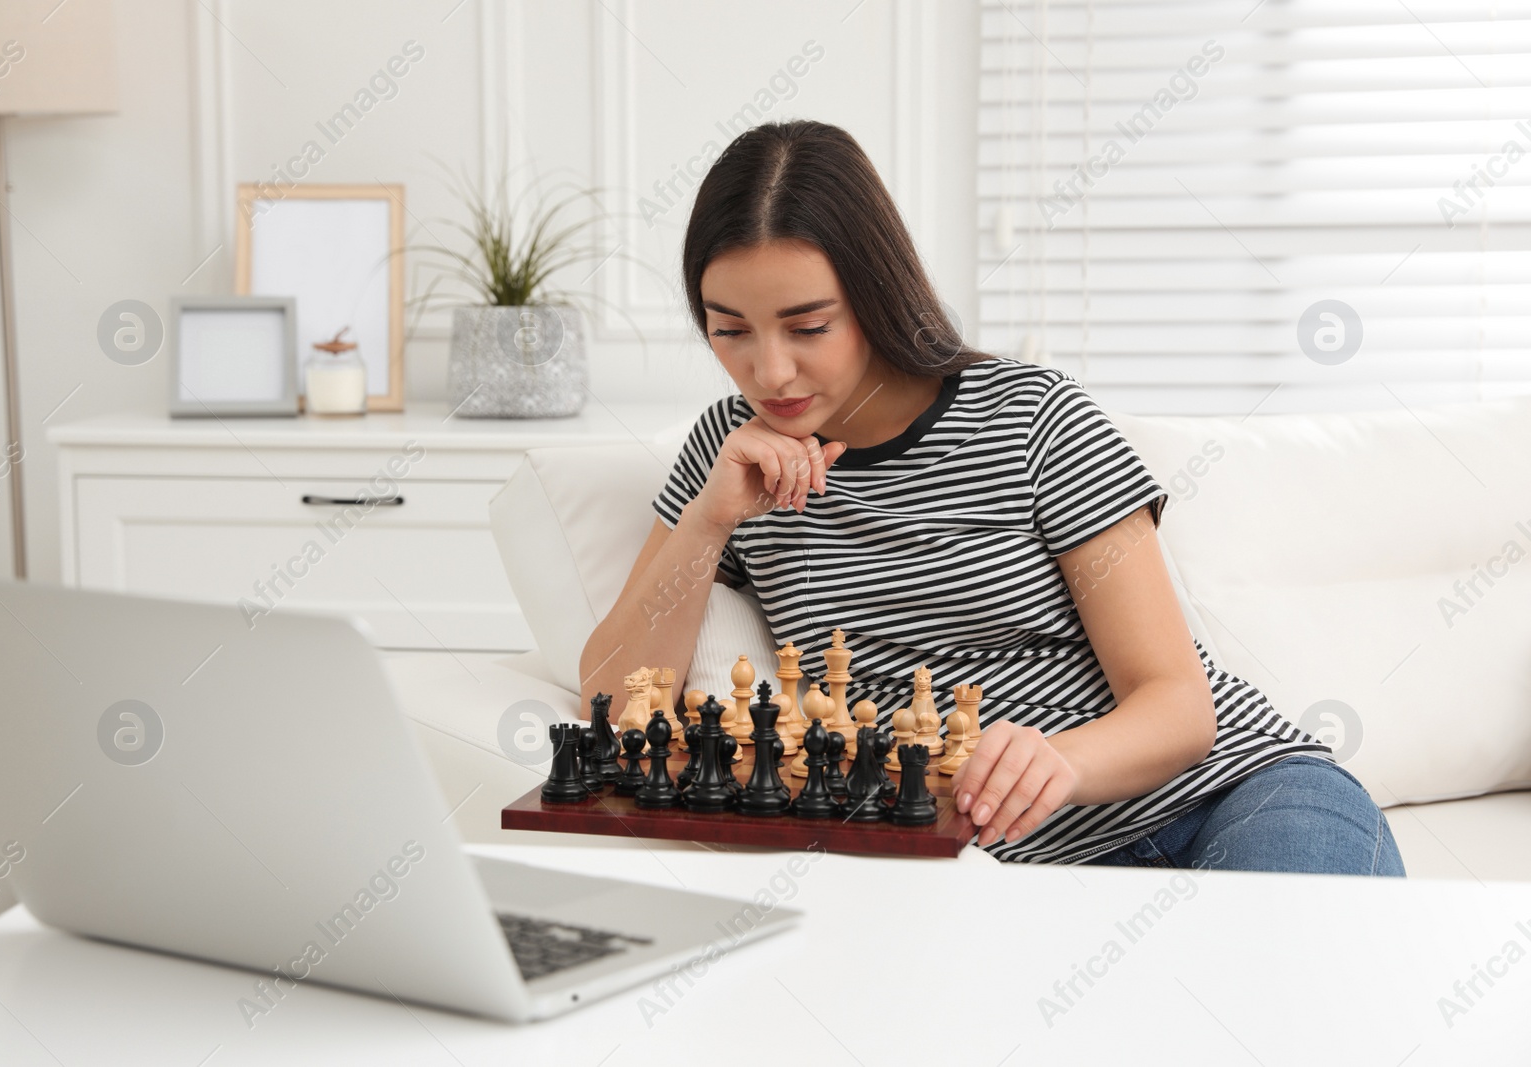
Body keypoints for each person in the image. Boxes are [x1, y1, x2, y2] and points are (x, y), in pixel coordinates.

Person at [578, 119, 1404, 877]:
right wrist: (709, 521)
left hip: (1230, 794)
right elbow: (610, 705)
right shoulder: (727, 454)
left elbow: (1180, 705)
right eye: (730, 329)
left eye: (808, 326)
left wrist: (1064, 759)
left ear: (873, 295)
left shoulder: (1034, 417)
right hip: (1021, 869)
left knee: (1273, 992)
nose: (770, 372)